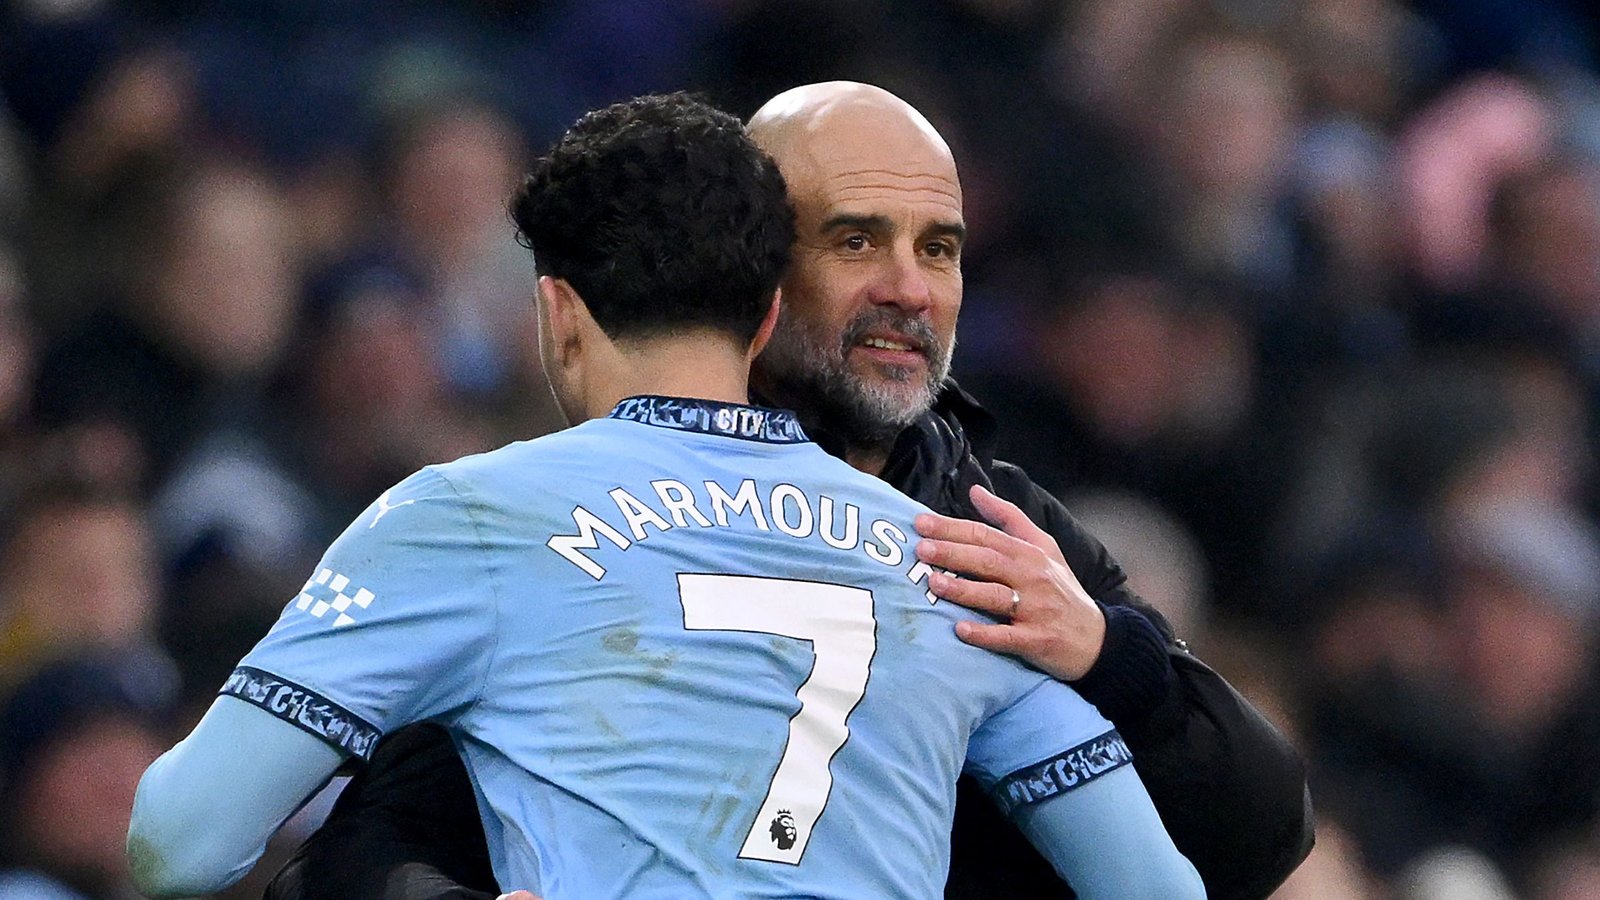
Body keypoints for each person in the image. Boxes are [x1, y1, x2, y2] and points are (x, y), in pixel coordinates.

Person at [127, 93, 1204, 899]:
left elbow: (178, 844)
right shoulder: (951, 557)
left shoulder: (464, 518)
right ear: (770, 315)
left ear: (557, 313)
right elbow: (1159, 891)